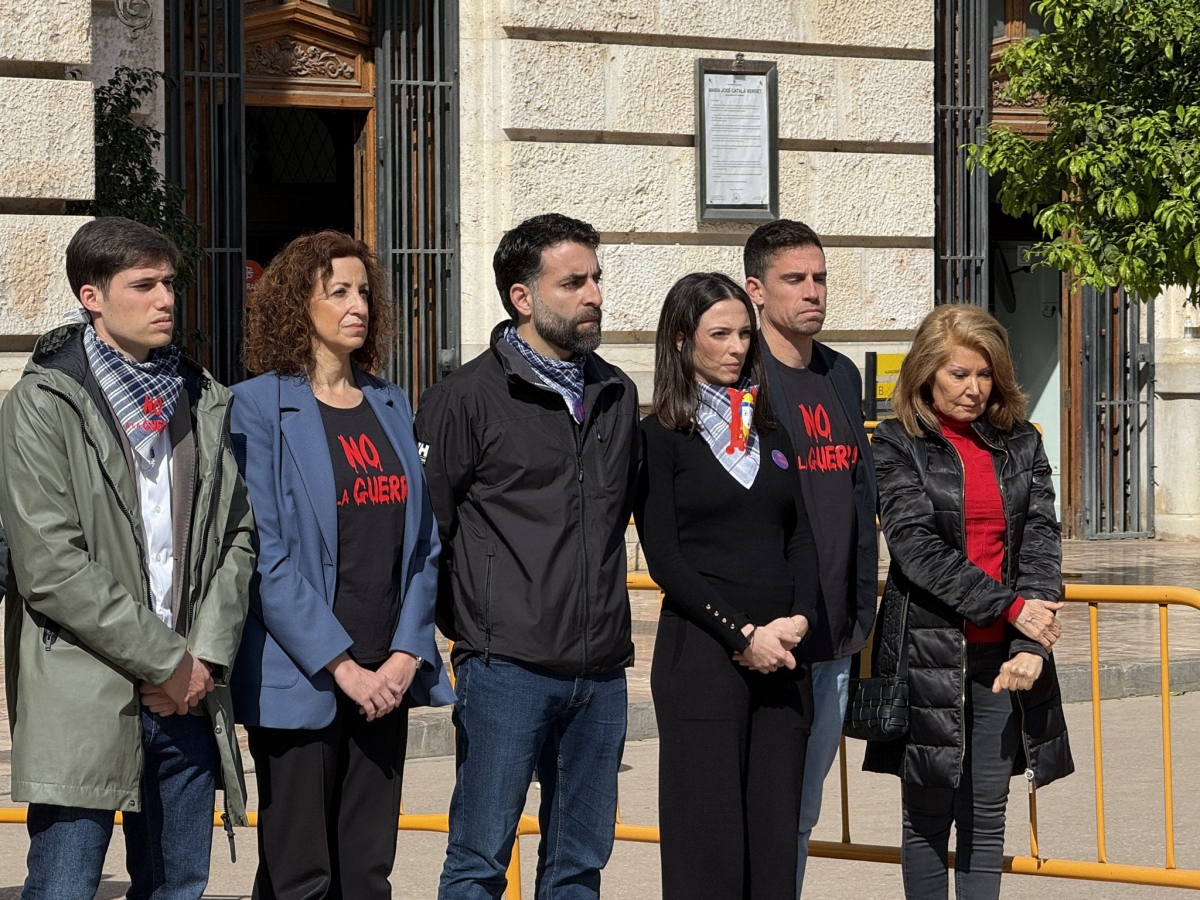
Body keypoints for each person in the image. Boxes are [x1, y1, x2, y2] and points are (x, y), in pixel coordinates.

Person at [0, 216, 254, 899]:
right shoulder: (42, 405)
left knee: (177, 888)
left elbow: (236, 537)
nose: (165, 299)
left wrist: (203, 659)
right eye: (143, 285)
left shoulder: (202, 400)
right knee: (64, 886)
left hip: (189, 698)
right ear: (92, 296)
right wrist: (166, 660)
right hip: (85, 691)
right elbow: (50, 564)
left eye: (169, 283)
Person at [416, 213, 640, 900]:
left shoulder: (618, 393)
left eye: (596, 278)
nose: (594, 294)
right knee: (480, 859)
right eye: (572, 282)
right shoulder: (465, 398)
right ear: (522, 297)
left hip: (601, 675)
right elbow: (429, 530)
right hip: (504, 669)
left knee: (580, 865)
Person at [229, 230, 454, 900]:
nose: (357, 305)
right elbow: (264, 556)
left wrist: (408, 654)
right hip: (306, 678)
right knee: (302, 876)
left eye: (363, 291)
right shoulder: (258, 405)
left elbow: (422, 545)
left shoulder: (388, 401)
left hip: (387, 675)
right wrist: (345, 667)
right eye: (339, 292)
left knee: (366, 873)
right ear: (301, 304)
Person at [866, 304, 1073, 899]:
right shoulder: (897, 444)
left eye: (984, 374)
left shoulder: (1021, 443)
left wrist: (1030, 642)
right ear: (927, 373)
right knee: (927, 822)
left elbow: (1040, 541)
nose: (973, 388)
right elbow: (915, 548)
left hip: (1005, 663)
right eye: (958, 374)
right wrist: (1013, 609)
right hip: (927, 654)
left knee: (986, 819)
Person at [635, 272, 819, 900]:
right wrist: (740, 634)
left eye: (745, 332)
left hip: (784, 659)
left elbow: (800, 536)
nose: (739, 346)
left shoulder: (771, 432)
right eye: (721, 334)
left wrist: (798, 618)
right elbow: (666, 558)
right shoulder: (658, 437)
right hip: (704, 659)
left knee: (773, 843)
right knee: (706, 847)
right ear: (683, 341)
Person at [742, 219, 878, 894]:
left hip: (836, 636)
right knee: (759, 810)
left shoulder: (841, 373)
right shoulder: (742, 377)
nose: (812, 291)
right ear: (756, 290)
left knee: (801, 814)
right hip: (773, 633)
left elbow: (859, 493)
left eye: (819, 277)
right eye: (795, 279)